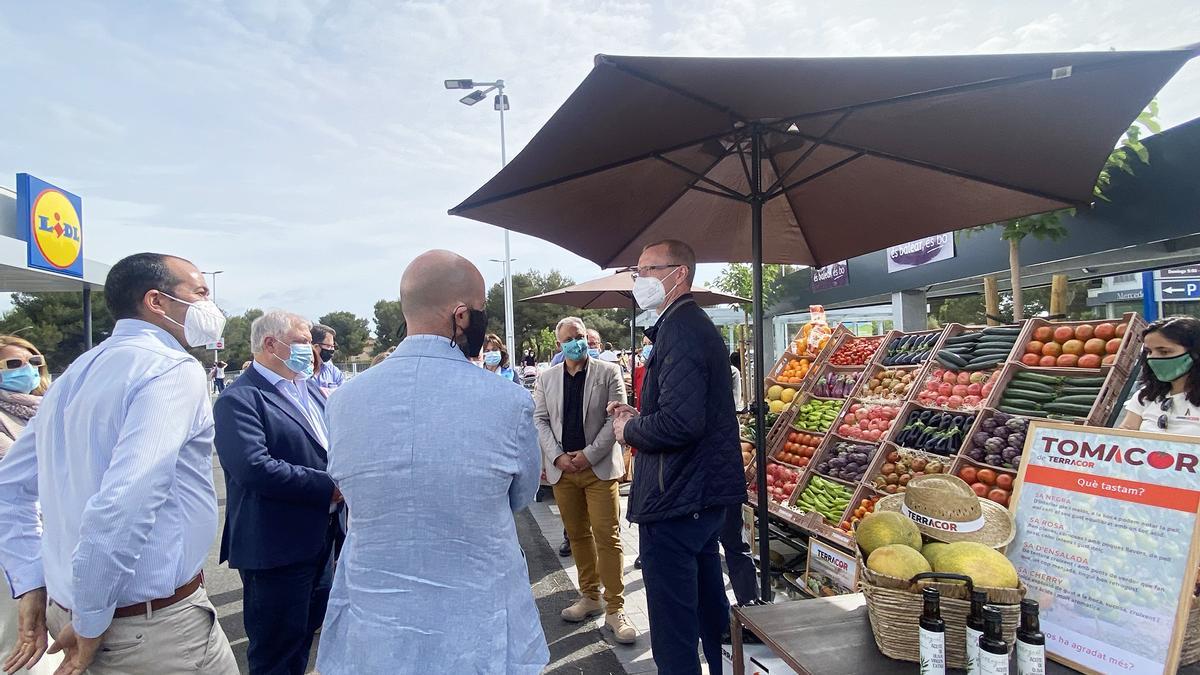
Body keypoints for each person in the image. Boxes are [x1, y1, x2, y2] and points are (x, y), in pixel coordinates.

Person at [0, 252, 238, 675]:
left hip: (79, 612)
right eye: (200, 292)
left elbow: (9, 489)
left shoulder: (74, 374)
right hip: (148, 629)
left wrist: (33, 581)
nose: (210, 305)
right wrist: (91, 618)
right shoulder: (170, 370)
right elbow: (124, 503)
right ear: (156, 301)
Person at [316, 250, 547, 675]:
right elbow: (520, 495)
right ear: (461, 315)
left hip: (374, 622)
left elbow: (350, 489)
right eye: (480, 311)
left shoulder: (343, 401)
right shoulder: (507, 400)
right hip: (477, 620)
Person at [609, 240, 746, 675]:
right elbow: (683, 411)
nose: (639, 279)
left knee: (673, 625)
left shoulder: (682, 329)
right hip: (695, 495)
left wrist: (628, 429)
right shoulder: (680, 326)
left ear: (678, 273)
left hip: (677, 499)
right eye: (638, 270)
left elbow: (681, 424)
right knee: (707, 608)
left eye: (648, 269)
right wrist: (640, 414)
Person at [214, 311, 341, 675]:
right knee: (276, 654)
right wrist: (330, 488)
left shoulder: (310, 390)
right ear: (271, 344)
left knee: (302, 641)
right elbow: (254, 467)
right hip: (276, 549)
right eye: (303, 341)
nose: (312, 349)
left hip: (320, 541)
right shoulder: (241, 399)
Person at [534, 318, 637, 644]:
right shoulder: (547, 378)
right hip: (563, 472)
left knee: (608, 536)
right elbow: (540, 419)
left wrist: (589, 455)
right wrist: (558, 457)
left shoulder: (608, 372)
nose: (576, 343)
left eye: (580, 337)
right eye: (569, 339)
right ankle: (590, 596)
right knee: (578, 535)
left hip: (598, 469)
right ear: (559, 344)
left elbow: (615, 418)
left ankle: (615, 608)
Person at [0, 336, 62, 675]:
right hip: (13, 540)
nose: (26, 370)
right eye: (12, 364)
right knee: (18, 637)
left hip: (53, 533)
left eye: (34, 362)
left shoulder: (47, 408)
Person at [1119, 316, 1200, 434]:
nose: (1152, 358)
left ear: (1195, 353)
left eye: (1164, 352)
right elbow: (1125, 432)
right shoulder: (1146, 395)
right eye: (1149, 352)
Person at [311, 323, 344, 396]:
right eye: (328, 346)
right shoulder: (301, 371)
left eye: (333, 346)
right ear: (315, 347)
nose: (332, 350)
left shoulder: (332, 370)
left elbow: (344, 393)